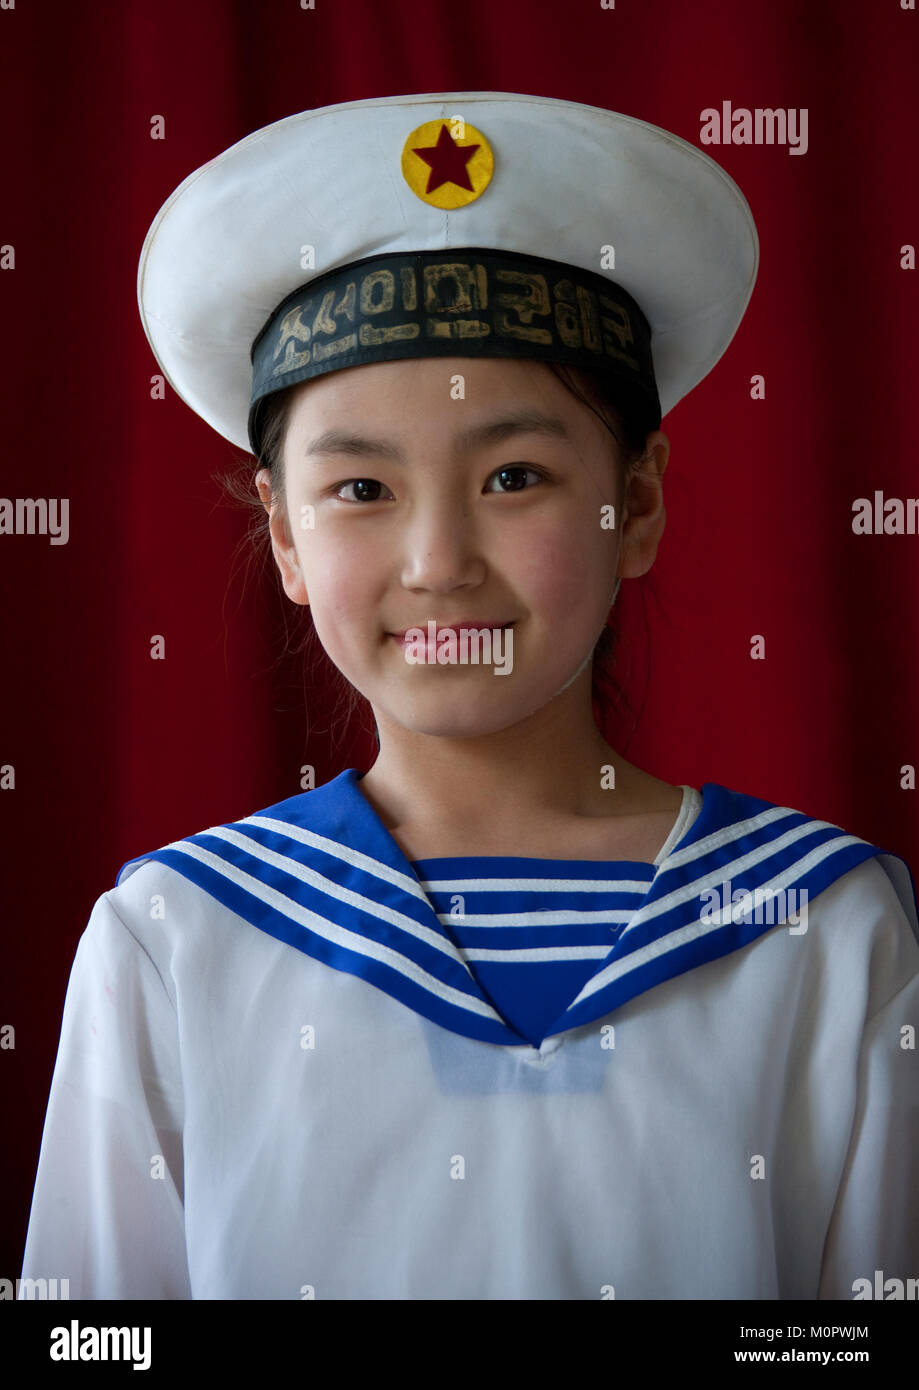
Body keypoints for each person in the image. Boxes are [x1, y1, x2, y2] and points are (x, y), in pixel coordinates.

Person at [19, 91, 919, 1301]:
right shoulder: (175, 941)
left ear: (636, 503)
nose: (439, 559)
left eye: (513, 474)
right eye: (359, 491)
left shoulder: (819, 927)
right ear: (283, 538)